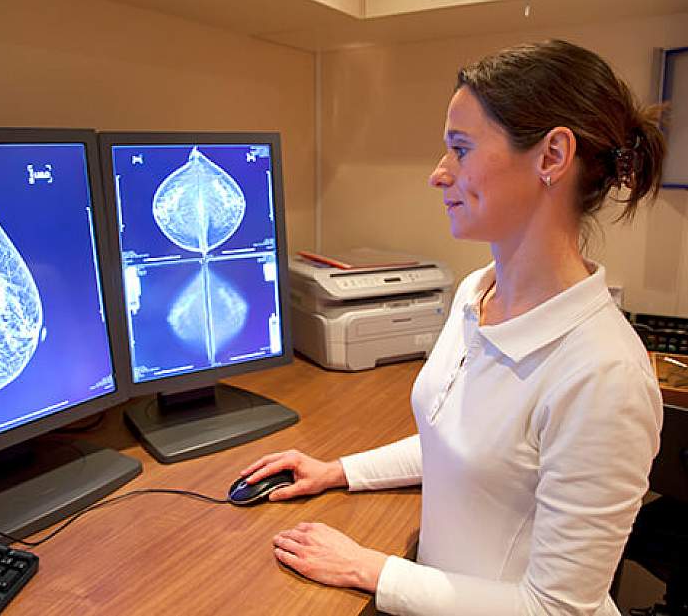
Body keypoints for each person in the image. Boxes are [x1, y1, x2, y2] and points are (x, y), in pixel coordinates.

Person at [240, 39, 666, 615]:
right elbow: (463, 446)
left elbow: (557, 609)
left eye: (460, 150)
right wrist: (338, 471)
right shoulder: (476, 292)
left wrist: (370, 568)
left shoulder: (604, 375)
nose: (438, 176)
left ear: (552, 156)